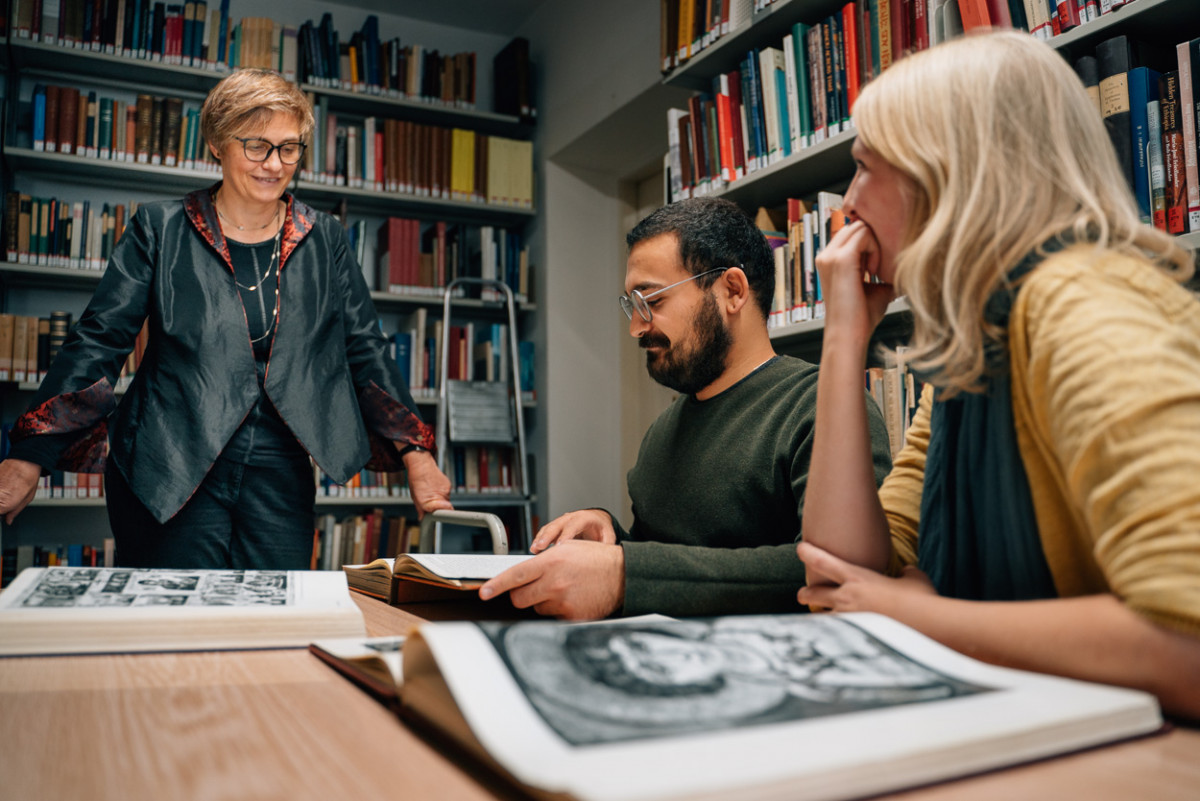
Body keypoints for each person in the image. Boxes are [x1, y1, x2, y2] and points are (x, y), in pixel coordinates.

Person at [794, 31, 1200, 719]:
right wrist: (843, 334)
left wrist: (914, 613)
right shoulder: (978, 341)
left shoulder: (1080, 303)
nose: (848, 207)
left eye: (866, 168)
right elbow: (841, 574)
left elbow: (1187, 638)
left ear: (950, 172)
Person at [0, 68, 452, 569]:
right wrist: (29, 456)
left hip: (279, 472)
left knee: (271, 625)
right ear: (217, 144)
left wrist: (418, 455)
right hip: (170, 462)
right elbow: (98, 341)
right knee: (175, 624)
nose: (275, 164)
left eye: (289, 147)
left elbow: (365, 349)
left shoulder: (324, 238)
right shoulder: (161, 228)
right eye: (256, 145)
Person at [480, 196, 893, 619]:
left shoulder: (822, 407)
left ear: (732, 291)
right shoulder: (664, 430)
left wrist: (627, 573)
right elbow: (669, 561)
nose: (636, 327)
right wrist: (610, 536)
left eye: (652, 301)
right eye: (632, 305)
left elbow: (837, 574)